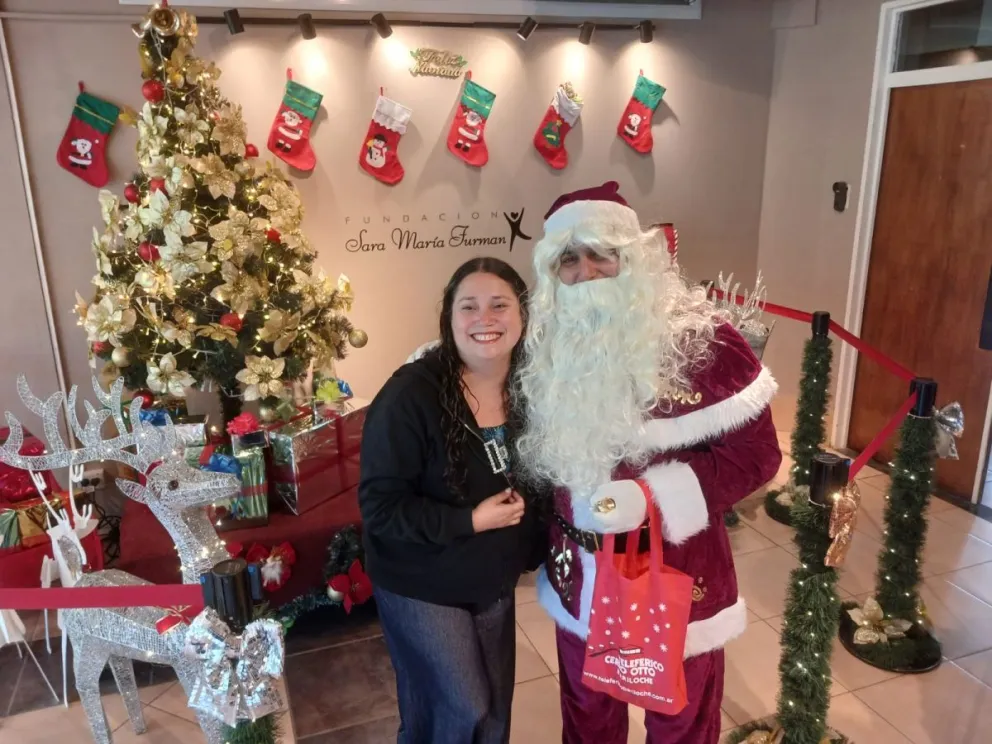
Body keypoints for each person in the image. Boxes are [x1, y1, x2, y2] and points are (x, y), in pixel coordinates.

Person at [516, 182, 783, 744]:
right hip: (579, 573)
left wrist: (653, 498)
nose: (585, 271)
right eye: (568, 259)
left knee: (680, 718)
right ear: (552, 273)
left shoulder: (705, 343)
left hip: (676, 571)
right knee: (587, 715)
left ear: (631, 259)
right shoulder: (544, 347)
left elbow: (758, 455)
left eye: (600, 253)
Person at [359, 257, 543, 744]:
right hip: (421, 577)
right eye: (470, 306)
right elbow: (380, 507)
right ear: (450, 319)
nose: (486, 318)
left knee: (495, 711)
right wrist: (470, 520)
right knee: (463, 705)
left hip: (490, 575)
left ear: (522, 316)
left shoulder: (531, 389)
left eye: (500, 304)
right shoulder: (409, 397)